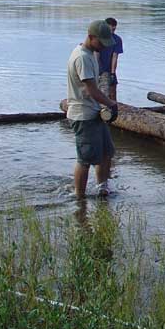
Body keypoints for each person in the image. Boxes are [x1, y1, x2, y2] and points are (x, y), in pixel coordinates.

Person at [67, 20, 119, 198]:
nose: (104, 47)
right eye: (101, 43)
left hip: (94, 112)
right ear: (90, 37)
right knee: (85, 160)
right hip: (83, 114)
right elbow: (92, 90)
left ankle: (102, 188)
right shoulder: (82, 57)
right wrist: (111, 103)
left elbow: (94, 91)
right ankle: (79, 198)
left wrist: (105, 104)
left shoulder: (90, 53)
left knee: (106, 152)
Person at [97, 17, 123, 101]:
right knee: (100, 92)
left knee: (112, 91)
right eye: (110, 29)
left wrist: (112, 73)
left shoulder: (117, 39)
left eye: (114, 29)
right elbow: (95, 54)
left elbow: (115, 56)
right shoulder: (98, 38)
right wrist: (98, 71)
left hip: (109, 68)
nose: (112, 31)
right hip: (98, 68)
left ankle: (114, 110)